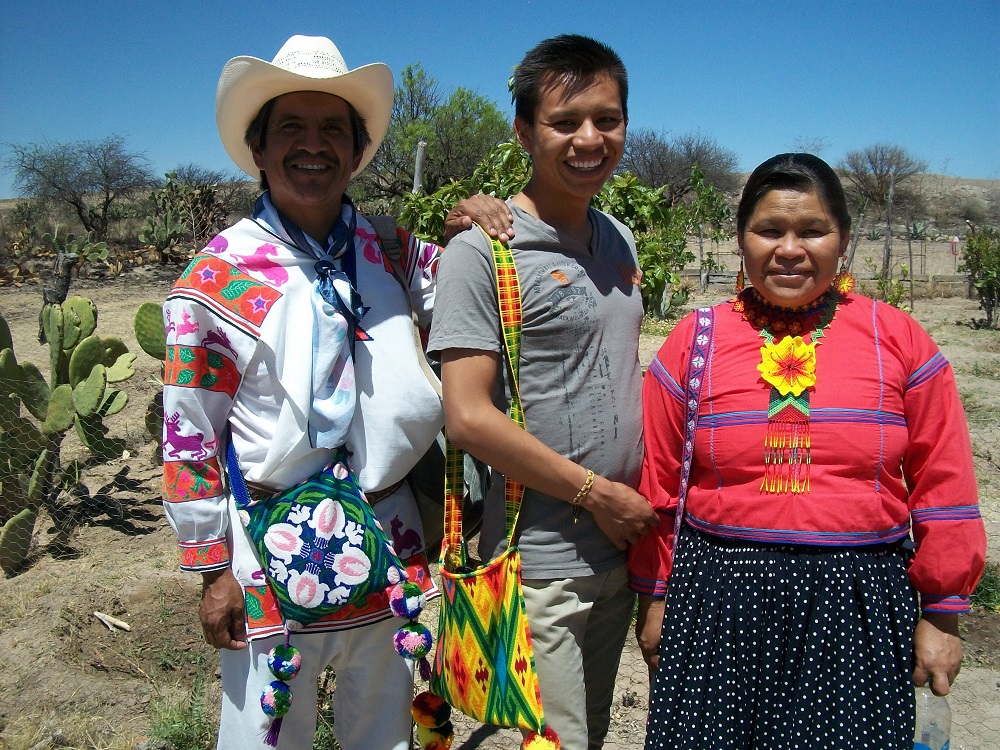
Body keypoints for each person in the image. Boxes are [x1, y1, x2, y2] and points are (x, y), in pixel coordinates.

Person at [161, 35, 510, 750]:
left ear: (356, 151)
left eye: (332, 130)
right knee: (264, 735)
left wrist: (478, 233)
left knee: (384, 733)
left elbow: (478, 297)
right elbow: (189, 433)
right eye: (292, 127)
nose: (312, 146)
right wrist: (209, 571)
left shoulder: (391, 249)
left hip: (388, 545)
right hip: (265, 549)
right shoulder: (218, 277)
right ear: (258, 148)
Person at [629, 153, 987, 749]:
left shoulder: (897, 340)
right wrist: (655, 599)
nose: (789, 249)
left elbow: (943, 482)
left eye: (812, 231)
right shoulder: (696, 340)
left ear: (843, 239)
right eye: (769, 230)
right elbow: (660, 482)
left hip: (855, 604)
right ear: (741, 240)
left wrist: (942, 612)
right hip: (718, 601)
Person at [427, 34, 659, 749]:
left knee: (583, 735)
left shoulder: (618, 235)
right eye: (565, 122)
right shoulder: (480, 251)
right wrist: (598, 494)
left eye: (608, 119)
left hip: (619, 553)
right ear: (524, 131)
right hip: (541, 563)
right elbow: (466, 418)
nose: (590, 138)